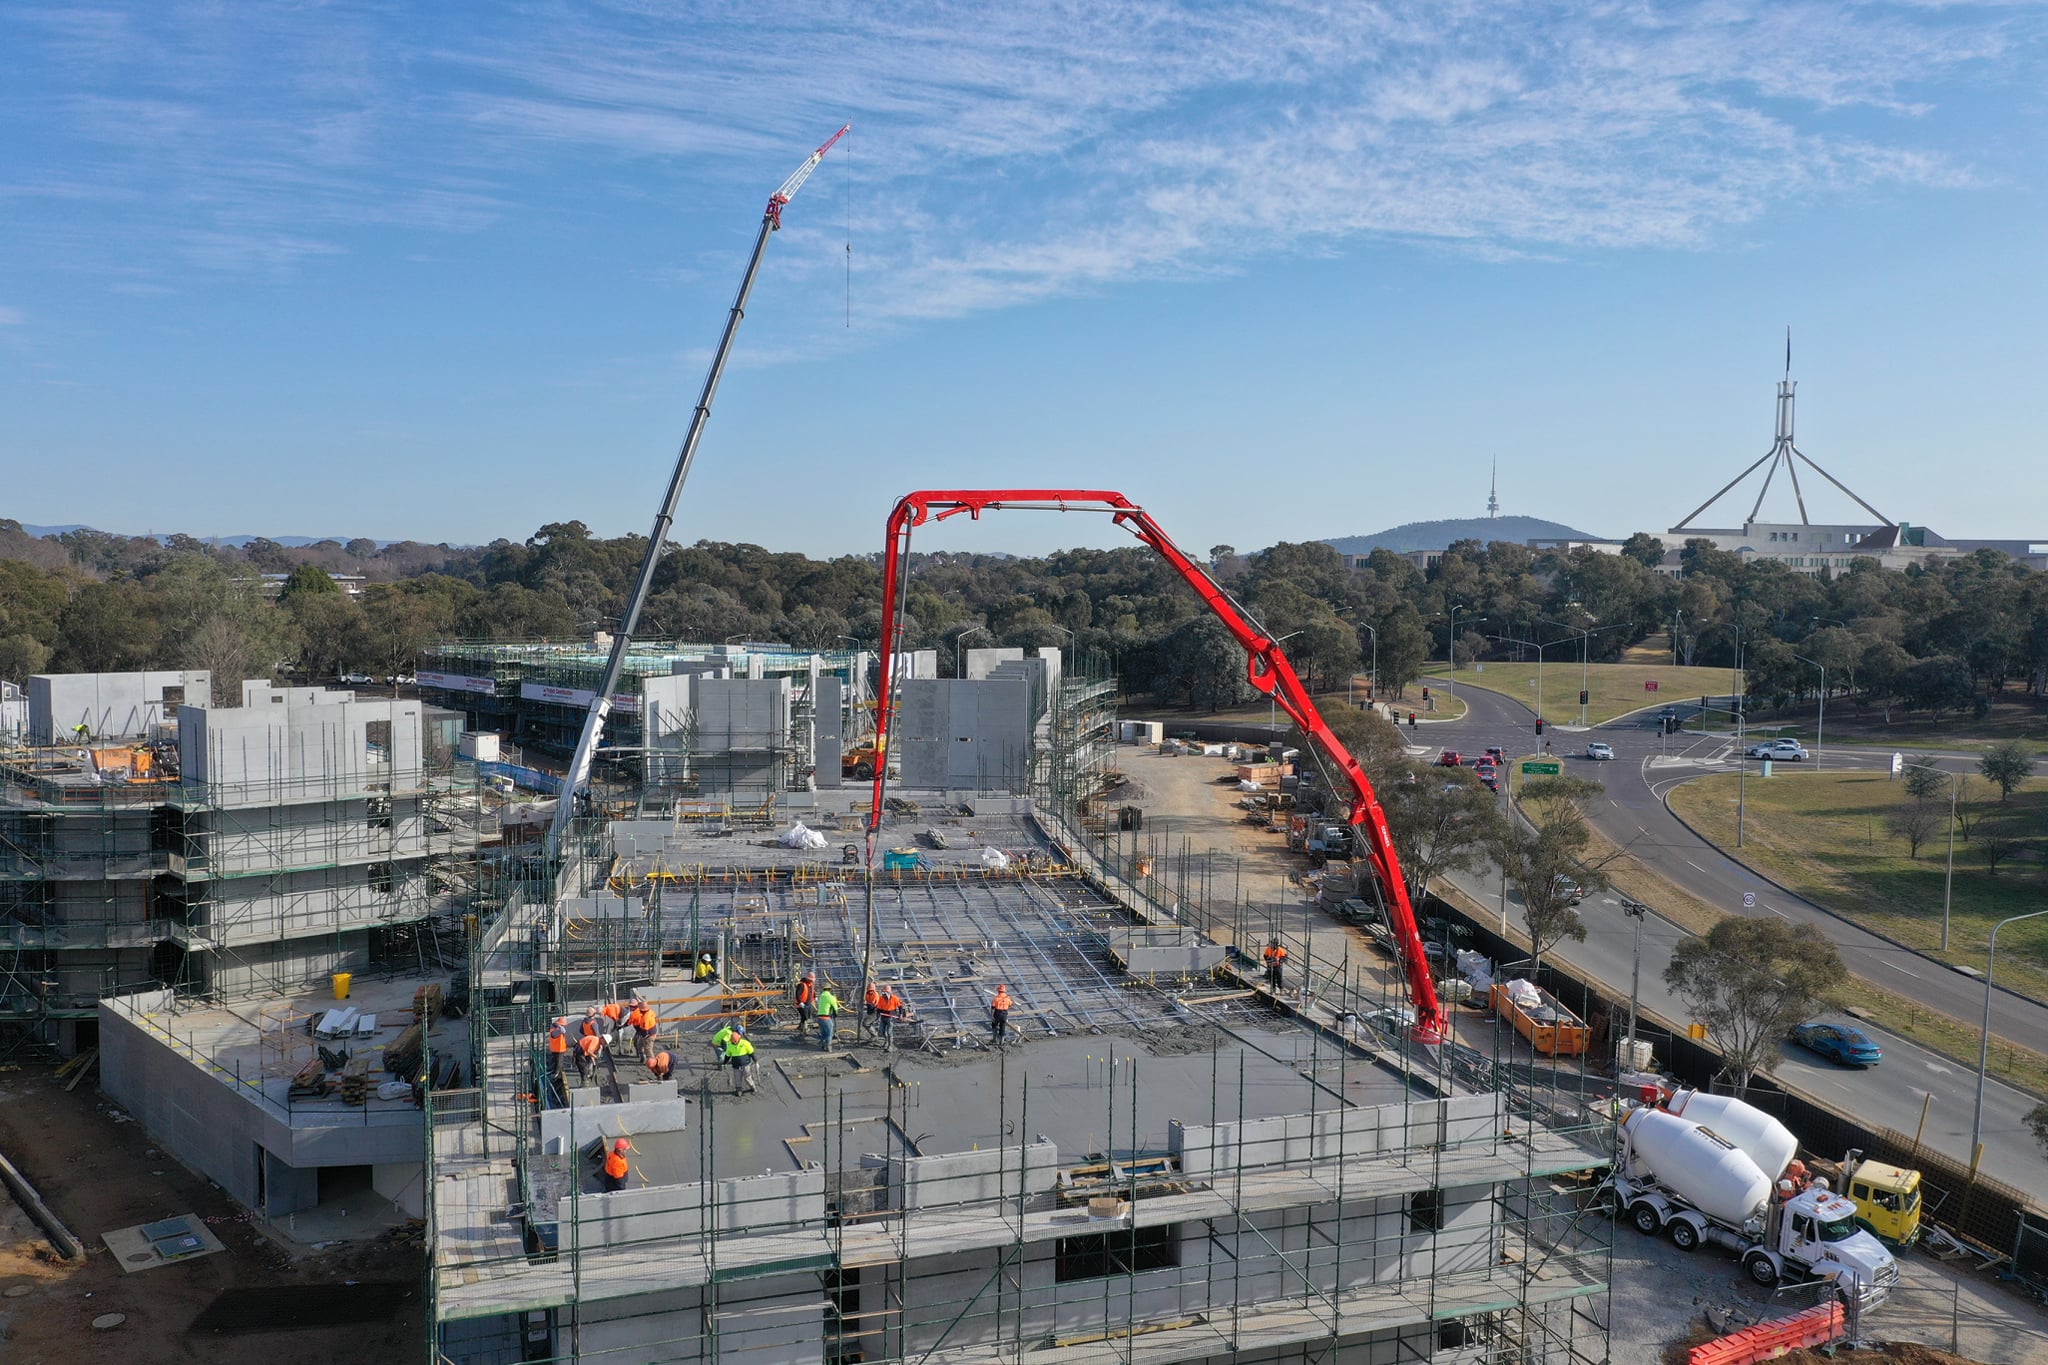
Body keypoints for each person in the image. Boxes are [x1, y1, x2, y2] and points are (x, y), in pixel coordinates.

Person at [724, 1027, 757, 1094]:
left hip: (746, 1065)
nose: (734, 1042)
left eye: (735, 1040)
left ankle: (752, 1086)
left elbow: (751, 1053)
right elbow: (727, 1055)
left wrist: (755, 1061)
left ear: (739, 1038)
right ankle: (739, 1090)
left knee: (747, 1078)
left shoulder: (745, 1043)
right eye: (733, 1040)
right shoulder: (730, 1045)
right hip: (736, 1066)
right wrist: (724, 1063)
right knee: (737, 1079)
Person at [875, 986, 904, 1052]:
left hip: (891, 1016)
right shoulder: (881, 999)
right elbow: (879, 1008)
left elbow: (900, 1007)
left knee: (889, 1032)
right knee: (882, 1031)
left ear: (889, 993)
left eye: (885, 993)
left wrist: (901, 1015)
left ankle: (890, 1046)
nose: (884, 995)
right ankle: (886, 1041)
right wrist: (878, 1015)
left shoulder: (895, 998)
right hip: (883, 1016)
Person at [814, 985, 841, 1050]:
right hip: (826, 1018)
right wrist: (836, 1013)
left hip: (819, 1018)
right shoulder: (831, 997)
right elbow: (835, 1008)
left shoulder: (821, 997)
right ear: (830, 990)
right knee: (829, 1034)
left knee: (823, 1033)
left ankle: (823, 1046)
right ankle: (829, 1048)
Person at [794, 971, 817, 1038]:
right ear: (808, 979)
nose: (811, 981)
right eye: (810, 980)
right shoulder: (801, 985)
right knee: (805, 1017)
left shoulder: (811, 984)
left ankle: (801, 1027)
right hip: (801, 1004)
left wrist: (815, 997)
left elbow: (812, 991)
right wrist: (800, 1002)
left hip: (808, 1003)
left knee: (807, 1016)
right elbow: (797, 994)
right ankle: (804, 1030)